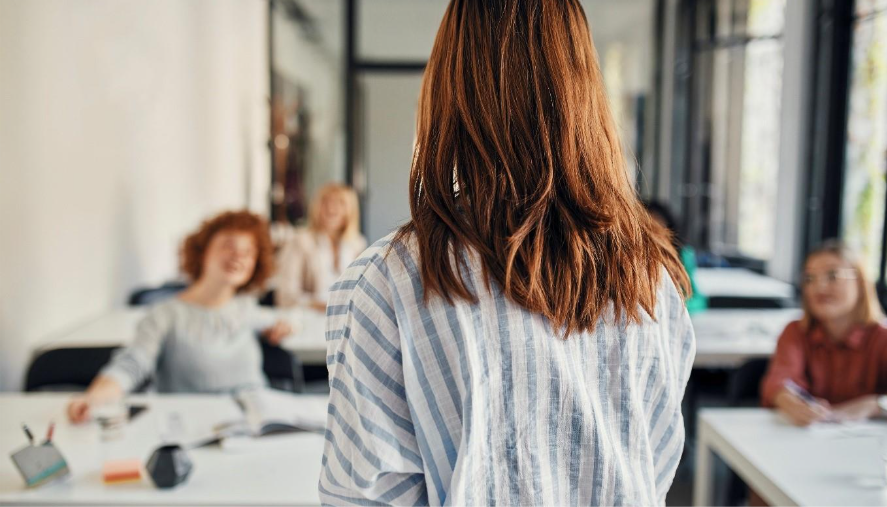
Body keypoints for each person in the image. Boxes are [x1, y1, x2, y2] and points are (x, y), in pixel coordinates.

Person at [319, 1, 696, 504]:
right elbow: (654, 464)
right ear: (586, 90)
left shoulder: (388, 281)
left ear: (447, 89)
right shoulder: (649, 275)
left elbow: (366, 495)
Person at [67, 211, 291, 423]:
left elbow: (288, 322)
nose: (238, 256)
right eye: (228, 246)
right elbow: (132, 364)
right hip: (192, 424)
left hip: (256, 420)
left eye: (248, 252)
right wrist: (93, 399)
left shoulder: (247, 309)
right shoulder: (166, 314)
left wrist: (283, 328)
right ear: (203, 251)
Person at [760, 240, 887, 426]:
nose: (819, 287)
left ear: (860, 282)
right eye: (809, 278)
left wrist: (874, 405)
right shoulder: (796, 332)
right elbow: (779, 381)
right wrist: (789, 401)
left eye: (833, 276)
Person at [275, 183, 367, 312]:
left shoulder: (358, 244)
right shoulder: (300, 242)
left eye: (340, 203)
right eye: (325, 202)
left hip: (347, 318)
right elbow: (285, 296)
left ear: (351, 210)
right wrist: (320, 305)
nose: (331, 208)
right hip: (309, 317)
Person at [645, 200, 709, 313]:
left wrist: (676, 306)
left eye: (658, 224)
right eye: (648, 225)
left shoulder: (682, 255)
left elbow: (697, 298)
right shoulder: (636, 256)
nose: (654, 231)